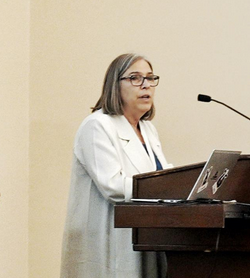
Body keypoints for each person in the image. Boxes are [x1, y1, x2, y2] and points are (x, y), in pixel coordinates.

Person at [60, 53, 172, 277]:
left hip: (146, 234)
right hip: (109, 238)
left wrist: (180, 182)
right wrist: (165, 188)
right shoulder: (97, 125)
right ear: (115, 85)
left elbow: (158, 173)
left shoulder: (147, 129)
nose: (146, 85)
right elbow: (113, 186)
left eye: (150, 78)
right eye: (135, 78)